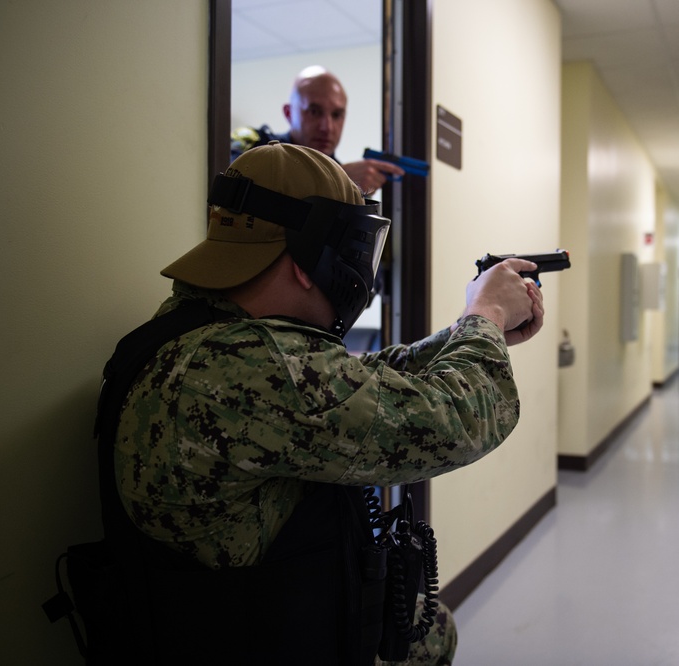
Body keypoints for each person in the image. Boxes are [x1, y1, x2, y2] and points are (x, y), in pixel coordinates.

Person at [108, 141, 543, 664]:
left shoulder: (196, 332)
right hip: (269, 634)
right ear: (310, 256)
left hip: (236, 623)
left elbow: (348, 384)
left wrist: (465, 335)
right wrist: (486, 316)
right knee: (433, 638)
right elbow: (460, 418)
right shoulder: (251, 364)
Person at [231, 65, 404, 195]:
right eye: (314, 112)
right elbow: (230, 190)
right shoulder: (255, 147)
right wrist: (334, 181)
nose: (326, 127)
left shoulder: (344, 175)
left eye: (337, 115)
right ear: (289, 113)